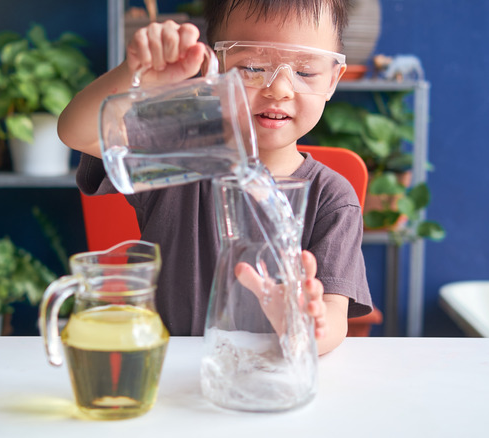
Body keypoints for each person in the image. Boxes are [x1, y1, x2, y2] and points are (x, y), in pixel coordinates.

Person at [58, 0, 372, 355]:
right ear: (217, 67)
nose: (279, 89)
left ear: (332, 80)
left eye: (305, 72)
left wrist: (304, 324)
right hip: (163, 371)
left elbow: (334, 317)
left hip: (267, 378)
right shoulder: (182, 154)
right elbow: (76, 132)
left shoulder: (332, 197)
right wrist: (134, 76)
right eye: (252, 67)